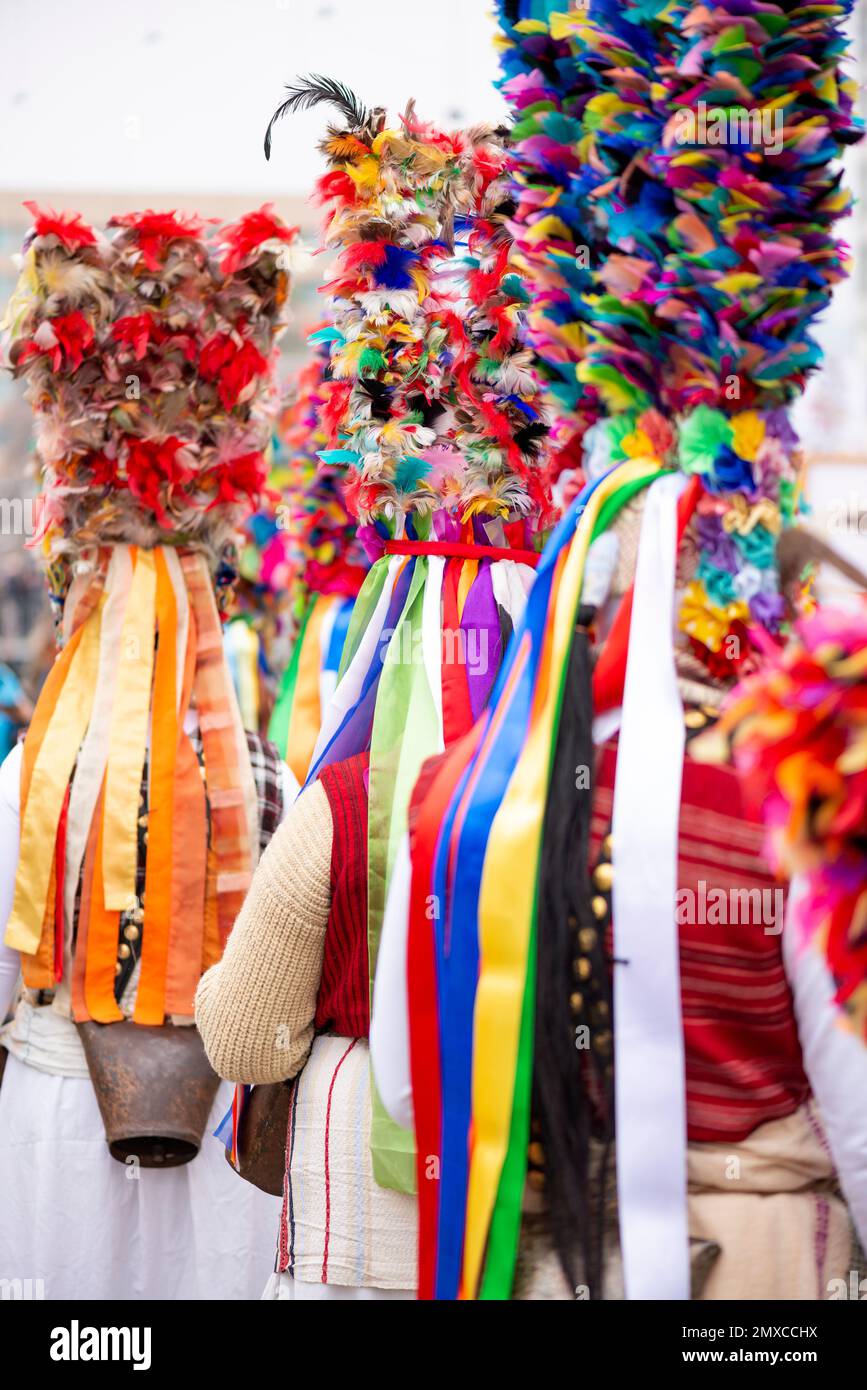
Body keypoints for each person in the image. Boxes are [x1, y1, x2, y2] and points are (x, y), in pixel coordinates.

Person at [369, 0, 867, 1300]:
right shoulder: (804, 789)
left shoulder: (464, 787)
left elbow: (393, 1075)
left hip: (537, 1261)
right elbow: (859, 1105)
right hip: (759, 1274)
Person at [195, 79, 554, 1299]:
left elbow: (243, 1036)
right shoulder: (597, 782)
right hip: (543, 1195)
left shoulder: (343, 799)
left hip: (364, 1175)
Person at [0, 201, 295, 1300]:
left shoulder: (26, 777)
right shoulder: (276, 777)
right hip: (214, 1133)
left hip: (50, 1120)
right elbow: (280, 996)